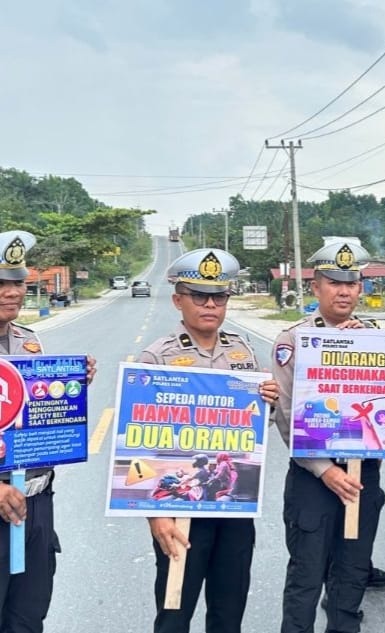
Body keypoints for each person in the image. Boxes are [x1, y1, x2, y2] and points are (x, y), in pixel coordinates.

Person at [139, 248, 278, 633]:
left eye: (220, 296)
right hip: (181, 511)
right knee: (173, 614)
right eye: (199, 295)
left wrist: (265, 403)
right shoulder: (156, 359)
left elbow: (251, 434)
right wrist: (156, 516)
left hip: (233, 506)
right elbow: (137, 446)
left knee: (228, 611)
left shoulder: (243, 352)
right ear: (178, 300)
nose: (211, 304)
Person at [272, 239, 385, 633]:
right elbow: (286, 418)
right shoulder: (293, 341)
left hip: (363, 476)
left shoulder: (377, 340)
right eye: (333, 282)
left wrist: (371, 347)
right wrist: (325, 470)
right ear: (316, 287)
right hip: (313, 480)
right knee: (306, 579)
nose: (344, 291)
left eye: (352, 283)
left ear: (361, 287)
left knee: (352, 575)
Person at [0, 230, 96, 632]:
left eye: (17, 282)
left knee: (27, 615)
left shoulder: (29, 343)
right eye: (1, 283)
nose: (12, 292)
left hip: (36, 502)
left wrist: (72, 383)